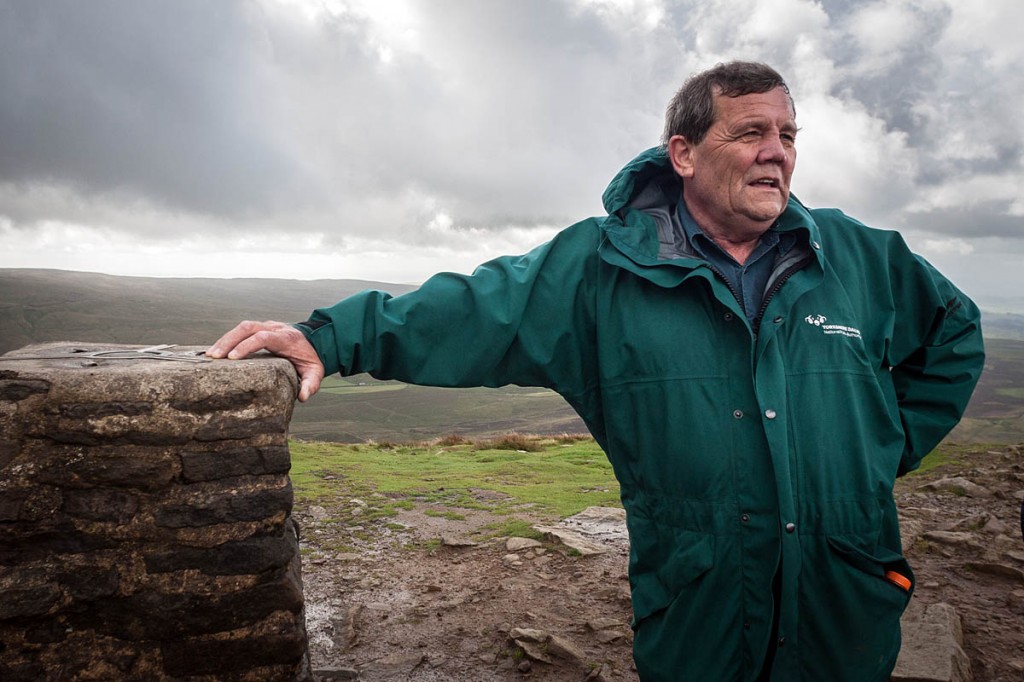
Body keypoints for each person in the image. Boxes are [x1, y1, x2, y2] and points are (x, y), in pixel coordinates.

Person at [209, 62, 985, 681]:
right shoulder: (599, 268)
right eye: (750, 131)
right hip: (701, 602)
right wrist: (328, 337)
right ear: (683, 152)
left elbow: (954, 333)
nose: (776, 150)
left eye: (787, 133)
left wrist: (882, 449)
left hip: (844, 596)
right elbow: (474, 311)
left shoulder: (857, 255)